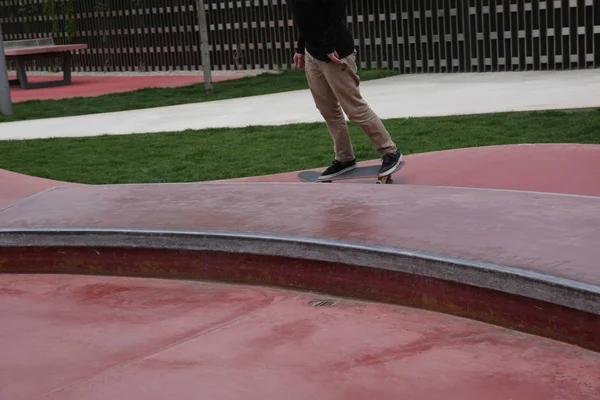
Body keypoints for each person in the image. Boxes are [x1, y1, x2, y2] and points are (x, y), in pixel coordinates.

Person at [289, 0, 403, 180]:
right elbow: (306, 19)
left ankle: (390, 151)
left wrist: (328, 45)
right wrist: (300, 48)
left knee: (354, 108)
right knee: (328, 110)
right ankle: (344, 158)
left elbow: (336, 9)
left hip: (335, 53)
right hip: (313, 54)